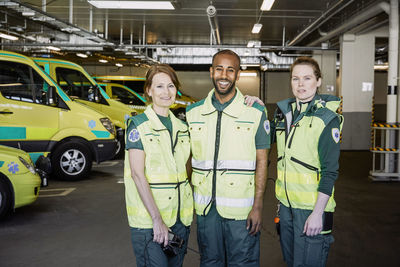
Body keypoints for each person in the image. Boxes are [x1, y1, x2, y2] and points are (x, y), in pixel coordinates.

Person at [186, 49, 270, 267]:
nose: (224, 75)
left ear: (238, 75)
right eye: (219, 69)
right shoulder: (193, 113)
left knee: (242, 263)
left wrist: (258, 206)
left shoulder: (256, 112)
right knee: (210, 262)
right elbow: (188, 160)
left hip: (242, 212)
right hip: (206, 211)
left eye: (230, 70)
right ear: (211, 72)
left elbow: (262, 161)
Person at [271, 57, 343, 267]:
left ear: (318, 81)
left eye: (307, 78)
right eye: (295, 79)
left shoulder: (327, 119)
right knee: (292, 261)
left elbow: (330, 171)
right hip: (286, 207)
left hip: (311, 209)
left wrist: (317, 214)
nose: (301, 84)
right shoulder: (283, 114)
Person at [124, 64, 193, 267]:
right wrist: (157, 220)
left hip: (180, 219)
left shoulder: (182, 127)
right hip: (150, 223)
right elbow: (137, 174)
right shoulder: (138, 125)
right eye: (160, 86)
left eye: (171, 86)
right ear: (149, 91)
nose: (166, 92)